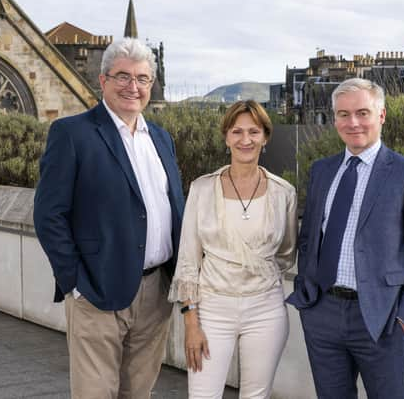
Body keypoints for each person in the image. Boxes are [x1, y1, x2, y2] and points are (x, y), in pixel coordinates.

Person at [33, 37, 184, 399]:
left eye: (143, 79)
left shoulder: (161, 139)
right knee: (95, 393)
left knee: (138, 392)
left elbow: (170, 208)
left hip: (156, 292)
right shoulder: (73, 134)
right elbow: (48, 214)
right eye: (123, 77)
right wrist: (74, 282)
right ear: (103, 81)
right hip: (96, 290)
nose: (133, 87)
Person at [287, 78, 404, 399]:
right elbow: (309, 237)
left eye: (362, 112)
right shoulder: (322, 171)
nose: (352, 122)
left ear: (381, 115)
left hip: (381, 319)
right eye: (343, 114)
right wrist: (307, 294)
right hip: (322, 314)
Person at [168, 100, 297, 398]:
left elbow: (287, 253)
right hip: (212, 309)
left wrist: (256, 272)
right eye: (237, 131)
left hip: (266, 309)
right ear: (226, 137)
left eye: (254, 131)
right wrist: (191, 323)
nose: (245, 140)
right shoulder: (201, 189)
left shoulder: (283, 193)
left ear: (265, 137)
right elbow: (188, 261)